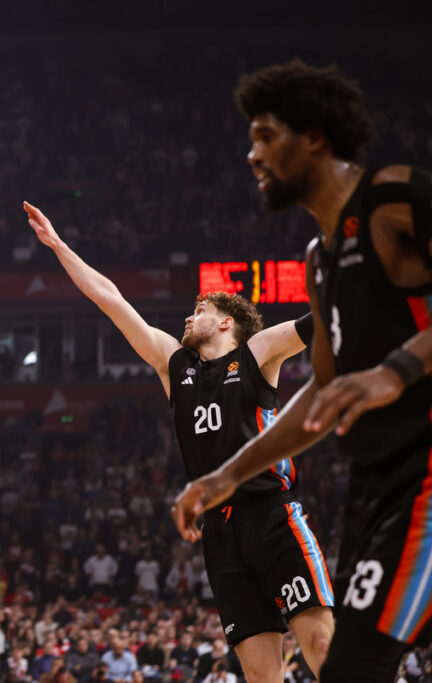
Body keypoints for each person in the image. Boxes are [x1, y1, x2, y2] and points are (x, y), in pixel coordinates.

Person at [171, 60, 432, 682]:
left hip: (425, 469)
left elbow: (372, 376)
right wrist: (225, 477)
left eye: (265, 136)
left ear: (313, 136)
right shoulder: (320, 261)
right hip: (379, 484)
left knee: (354, 666)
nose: (252, 155)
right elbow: (319, 392)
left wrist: (396, 369)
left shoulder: (394, 195)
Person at [25, 201, 334, 680]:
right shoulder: (175, 364)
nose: (190, 317)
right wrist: (59, 246)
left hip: (272, 516)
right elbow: (110, 299)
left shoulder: (258, 352)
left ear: (227, 321)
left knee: (320, 643)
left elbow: (320, 323)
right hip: (220, 534)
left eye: (200, 309)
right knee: (261, 676)